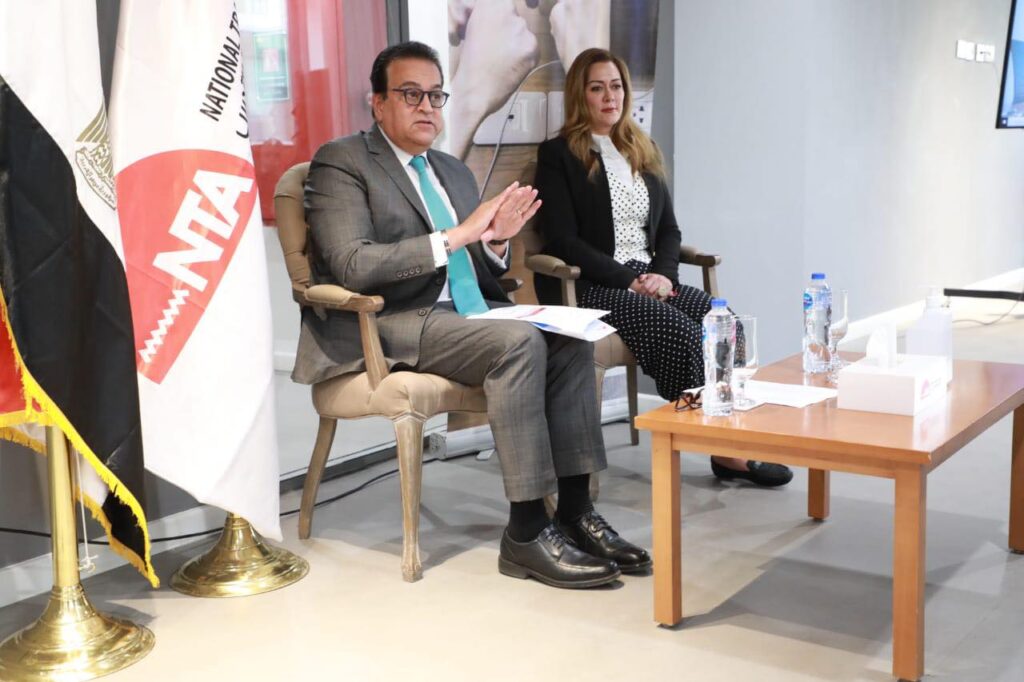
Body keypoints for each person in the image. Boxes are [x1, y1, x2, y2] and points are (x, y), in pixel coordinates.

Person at [298, 41, 651, 588]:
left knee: (571, 335)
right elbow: (352, 265)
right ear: (378, 103)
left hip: (466, 314)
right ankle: (526, 532)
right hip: (392, 320)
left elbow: (478, 267)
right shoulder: (342, 161)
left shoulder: (451, 170)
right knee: (519, 343)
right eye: (410, 94)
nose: (426, 106)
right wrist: (457, 235)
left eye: (435, 95)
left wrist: (494, 243)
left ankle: (576, 512)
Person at [532, 48, 792, 487]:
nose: (610, 97)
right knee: (679, 333)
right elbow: (562, 239)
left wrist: (664, 275)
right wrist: (628, 280)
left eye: (616, 86)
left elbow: (669, 229)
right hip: (592, 284)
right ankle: (715, 445)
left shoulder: (641, 148)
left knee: (725, 326)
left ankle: (729, 438)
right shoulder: (559, 154)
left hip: (648, 276)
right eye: (597, 88)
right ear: (580, 95)